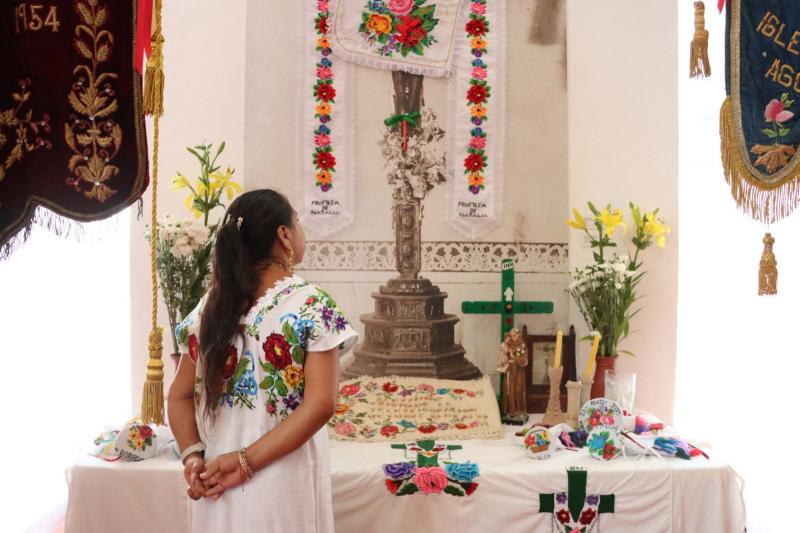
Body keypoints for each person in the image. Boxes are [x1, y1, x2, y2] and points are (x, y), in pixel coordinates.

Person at [168, 189, 358, 532]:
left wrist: (193, 458)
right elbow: (320, 405)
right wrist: (243, 463)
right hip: (280, 486)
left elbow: (178, 396)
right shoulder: (311, 305)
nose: (301, 232)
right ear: (284, 236)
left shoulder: (209, 306)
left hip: (215, 486)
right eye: (297, 223)